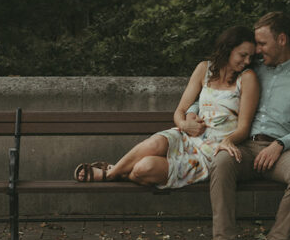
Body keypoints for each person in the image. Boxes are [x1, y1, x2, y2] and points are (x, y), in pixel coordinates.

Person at [207, 11, 290, 240]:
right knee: (222, 162)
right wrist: (190, 111)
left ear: (281, 39)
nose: (256, 50)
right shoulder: (250, 70)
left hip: (281, 150)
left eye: (262, 44)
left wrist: (281, 144)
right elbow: (214, 88)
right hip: (244, 146)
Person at [74, 26, 260, 188]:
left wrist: (228, 140)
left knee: (144, 168)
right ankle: (110, 174)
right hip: (187, 137)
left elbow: (243, 128)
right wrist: (185, 124)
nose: (247, 61)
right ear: (228, 49)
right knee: (156, 143)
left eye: (251, 57)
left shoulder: (247, 78)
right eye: (242, 55)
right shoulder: (204, 69)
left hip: (211, 152)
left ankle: (116, 171)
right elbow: (179, 111)